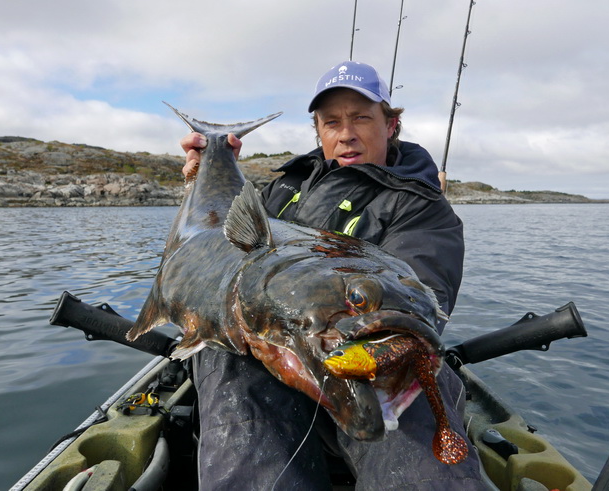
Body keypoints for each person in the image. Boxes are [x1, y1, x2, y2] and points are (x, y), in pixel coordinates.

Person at [181, 61, 485, 490]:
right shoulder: (282, 190)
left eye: (362, 117)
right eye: (331, 122)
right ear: (319, 131)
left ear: (392, 124)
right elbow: (223, 251)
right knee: (222, 358)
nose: (346, 134)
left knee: (416, 432)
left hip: (370, 362)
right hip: (265, 346)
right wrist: (202, 182)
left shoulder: (422, 207)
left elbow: (420, 298)